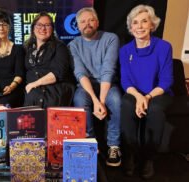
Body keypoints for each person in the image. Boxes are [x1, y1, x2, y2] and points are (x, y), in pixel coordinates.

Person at [119, 5, 173, 179]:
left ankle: (148, 158)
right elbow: (125, 80)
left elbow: (166, 80)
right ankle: (130, 155)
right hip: (134, 92)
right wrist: (138, 96)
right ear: (131, 27)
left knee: (155, 110)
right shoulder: (125, 50)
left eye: (144, 21)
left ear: (152, 25)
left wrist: (148, 97)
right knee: (126, 104)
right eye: (135, 23)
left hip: (158, 93)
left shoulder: (164, 47)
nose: (139, 26)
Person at [68, 7, 122, 167]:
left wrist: (102, 101)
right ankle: (90, 143)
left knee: (117, 100)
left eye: (91, 20)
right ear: (78, 27)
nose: (87, 24)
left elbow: (108, 69)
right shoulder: (73, 45)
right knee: (79, 100)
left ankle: (114, 146)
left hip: (107, 83)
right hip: (86, 85)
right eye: (82, 22)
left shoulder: (111, 38)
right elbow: (80, 73)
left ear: (97, 22)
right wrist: (95, 100)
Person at [24, 12, 75, 108]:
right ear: (33, 28)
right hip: (33, 92)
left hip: (54, 91)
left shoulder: (60, 47)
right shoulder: (28, 48)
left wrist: (34, 84)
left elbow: (58, 73)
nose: (43, 28)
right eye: (39, 25)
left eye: (47, 25)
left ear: (52, 29)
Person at [0, 10, 25, 108]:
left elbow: (19, 74)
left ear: (9, 27)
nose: (1, 28)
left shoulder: (18, 49)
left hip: (13, 90)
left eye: (4, 24)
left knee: (3, 105)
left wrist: (11, 87)